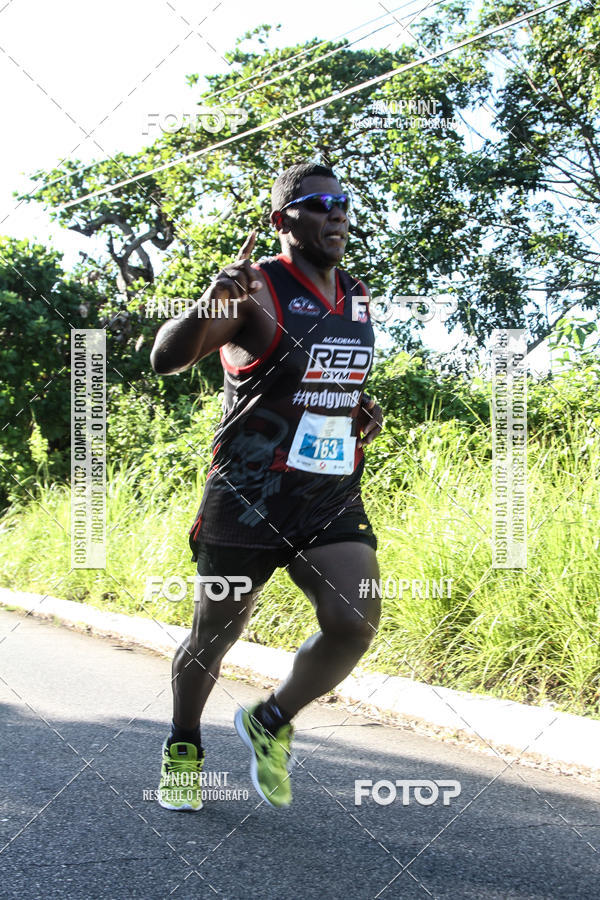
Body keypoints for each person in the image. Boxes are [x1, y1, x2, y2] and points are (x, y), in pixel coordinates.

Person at [150, 161, 383, 810]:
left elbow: (332, 381)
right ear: (284, 221)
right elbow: (165, 359)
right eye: (320, 204)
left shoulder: (359, 296)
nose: (337, 213)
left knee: (354, 619)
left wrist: (360, 410)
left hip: (326, 491)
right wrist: (207, 305)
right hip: (248, 495)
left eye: (343, 203)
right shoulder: (253, 290)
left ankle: (271, 720)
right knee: (213, 637)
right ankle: (183, 746)